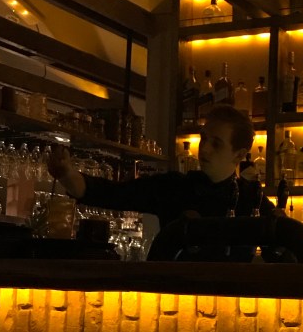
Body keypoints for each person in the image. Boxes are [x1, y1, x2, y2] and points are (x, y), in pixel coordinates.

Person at [47, 104, 275, 261]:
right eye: (203, 139)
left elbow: (283, 256)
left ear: (239, 154)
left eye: (216, 143)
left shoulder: (253, 200)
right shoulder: (175, 187)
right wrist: (66, 174)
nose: (204, 148)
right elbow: (112, 194)